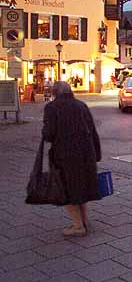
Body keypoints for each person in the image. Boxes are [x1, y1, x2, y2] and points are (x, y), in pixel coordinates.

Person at [42, 81, 102, 237]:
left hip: (65, 155)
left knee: (66, 189)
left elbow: (49, 134)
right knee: (80, 187)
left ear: (54, 92)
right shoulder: (81, 105)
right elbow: (93, 130)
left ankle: (78, 226)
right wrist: (97, 153)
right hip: (86, 153)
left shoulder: (52, 107)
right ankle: (83, 221)